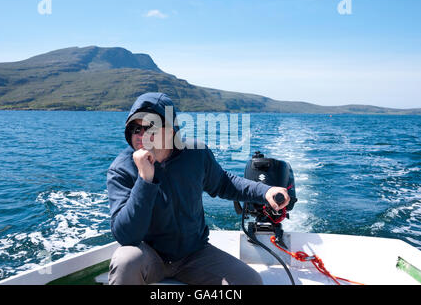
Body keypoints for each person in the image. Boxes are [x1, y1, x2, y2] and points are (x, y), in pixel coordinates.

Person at [107, 92, 291, 285]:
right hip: (149, 256)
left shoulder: (195, 154)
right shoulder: (122, 169)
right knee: (125, 260)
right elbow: (126, 235)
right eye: (136, 129)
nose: (142, 135)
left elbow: (224, 183)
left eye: (150, 126)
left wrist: (265, 191)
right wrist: (145, 179)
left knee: (249, 281)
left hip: (193, 254)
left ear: (171, 130)